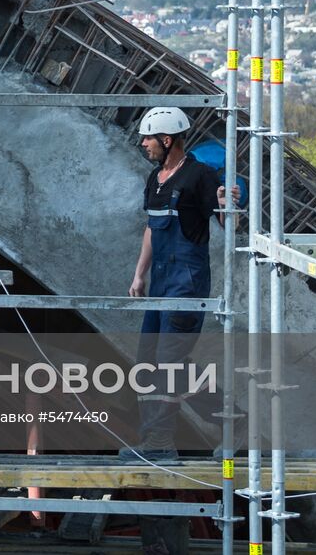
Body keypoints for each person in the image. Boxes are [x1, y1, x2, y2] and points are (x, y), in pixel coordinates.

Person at [125, 106, 233, 460]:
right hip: (160, 281)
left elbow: (220, 210)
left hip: (187, 280)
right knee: (147, 360)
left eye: (149, 139)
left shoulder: (198, 175)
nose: (143, 144)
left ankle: (159, 441)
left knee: (169, 361)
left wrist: (225, 199)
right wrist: (140, 274)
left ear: (167, 140)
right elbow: (151, 229)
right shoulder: (154, 179)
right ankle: (233, 420)